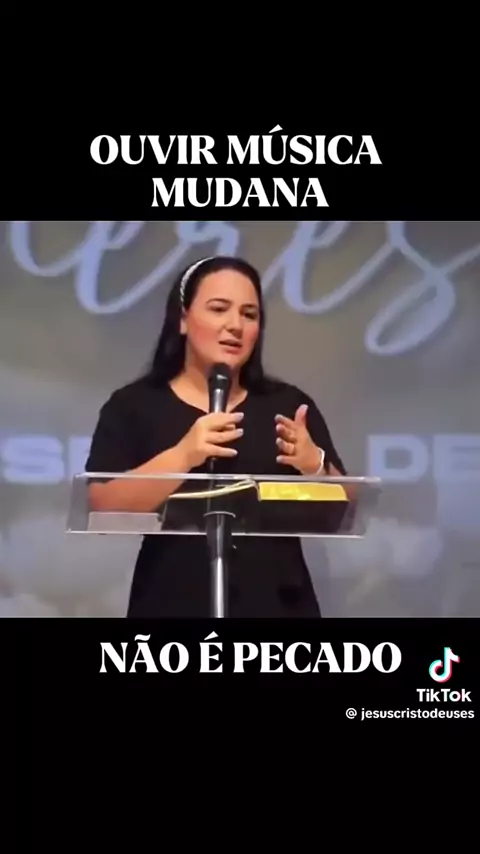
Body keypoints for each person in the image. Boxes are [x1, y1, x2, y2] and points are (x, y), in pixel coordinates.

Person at [85, 255, 348, 618]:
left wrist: (315, 466)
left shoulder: (287, 406)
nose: (235, 325)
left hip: (277, 607)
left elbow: (345, 509)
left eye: (249, 314)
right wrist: (183, 455)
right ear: (182, 318)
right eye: (219, 309)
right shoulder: (135, 405)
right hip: (170, 605)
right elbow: (101, 505)